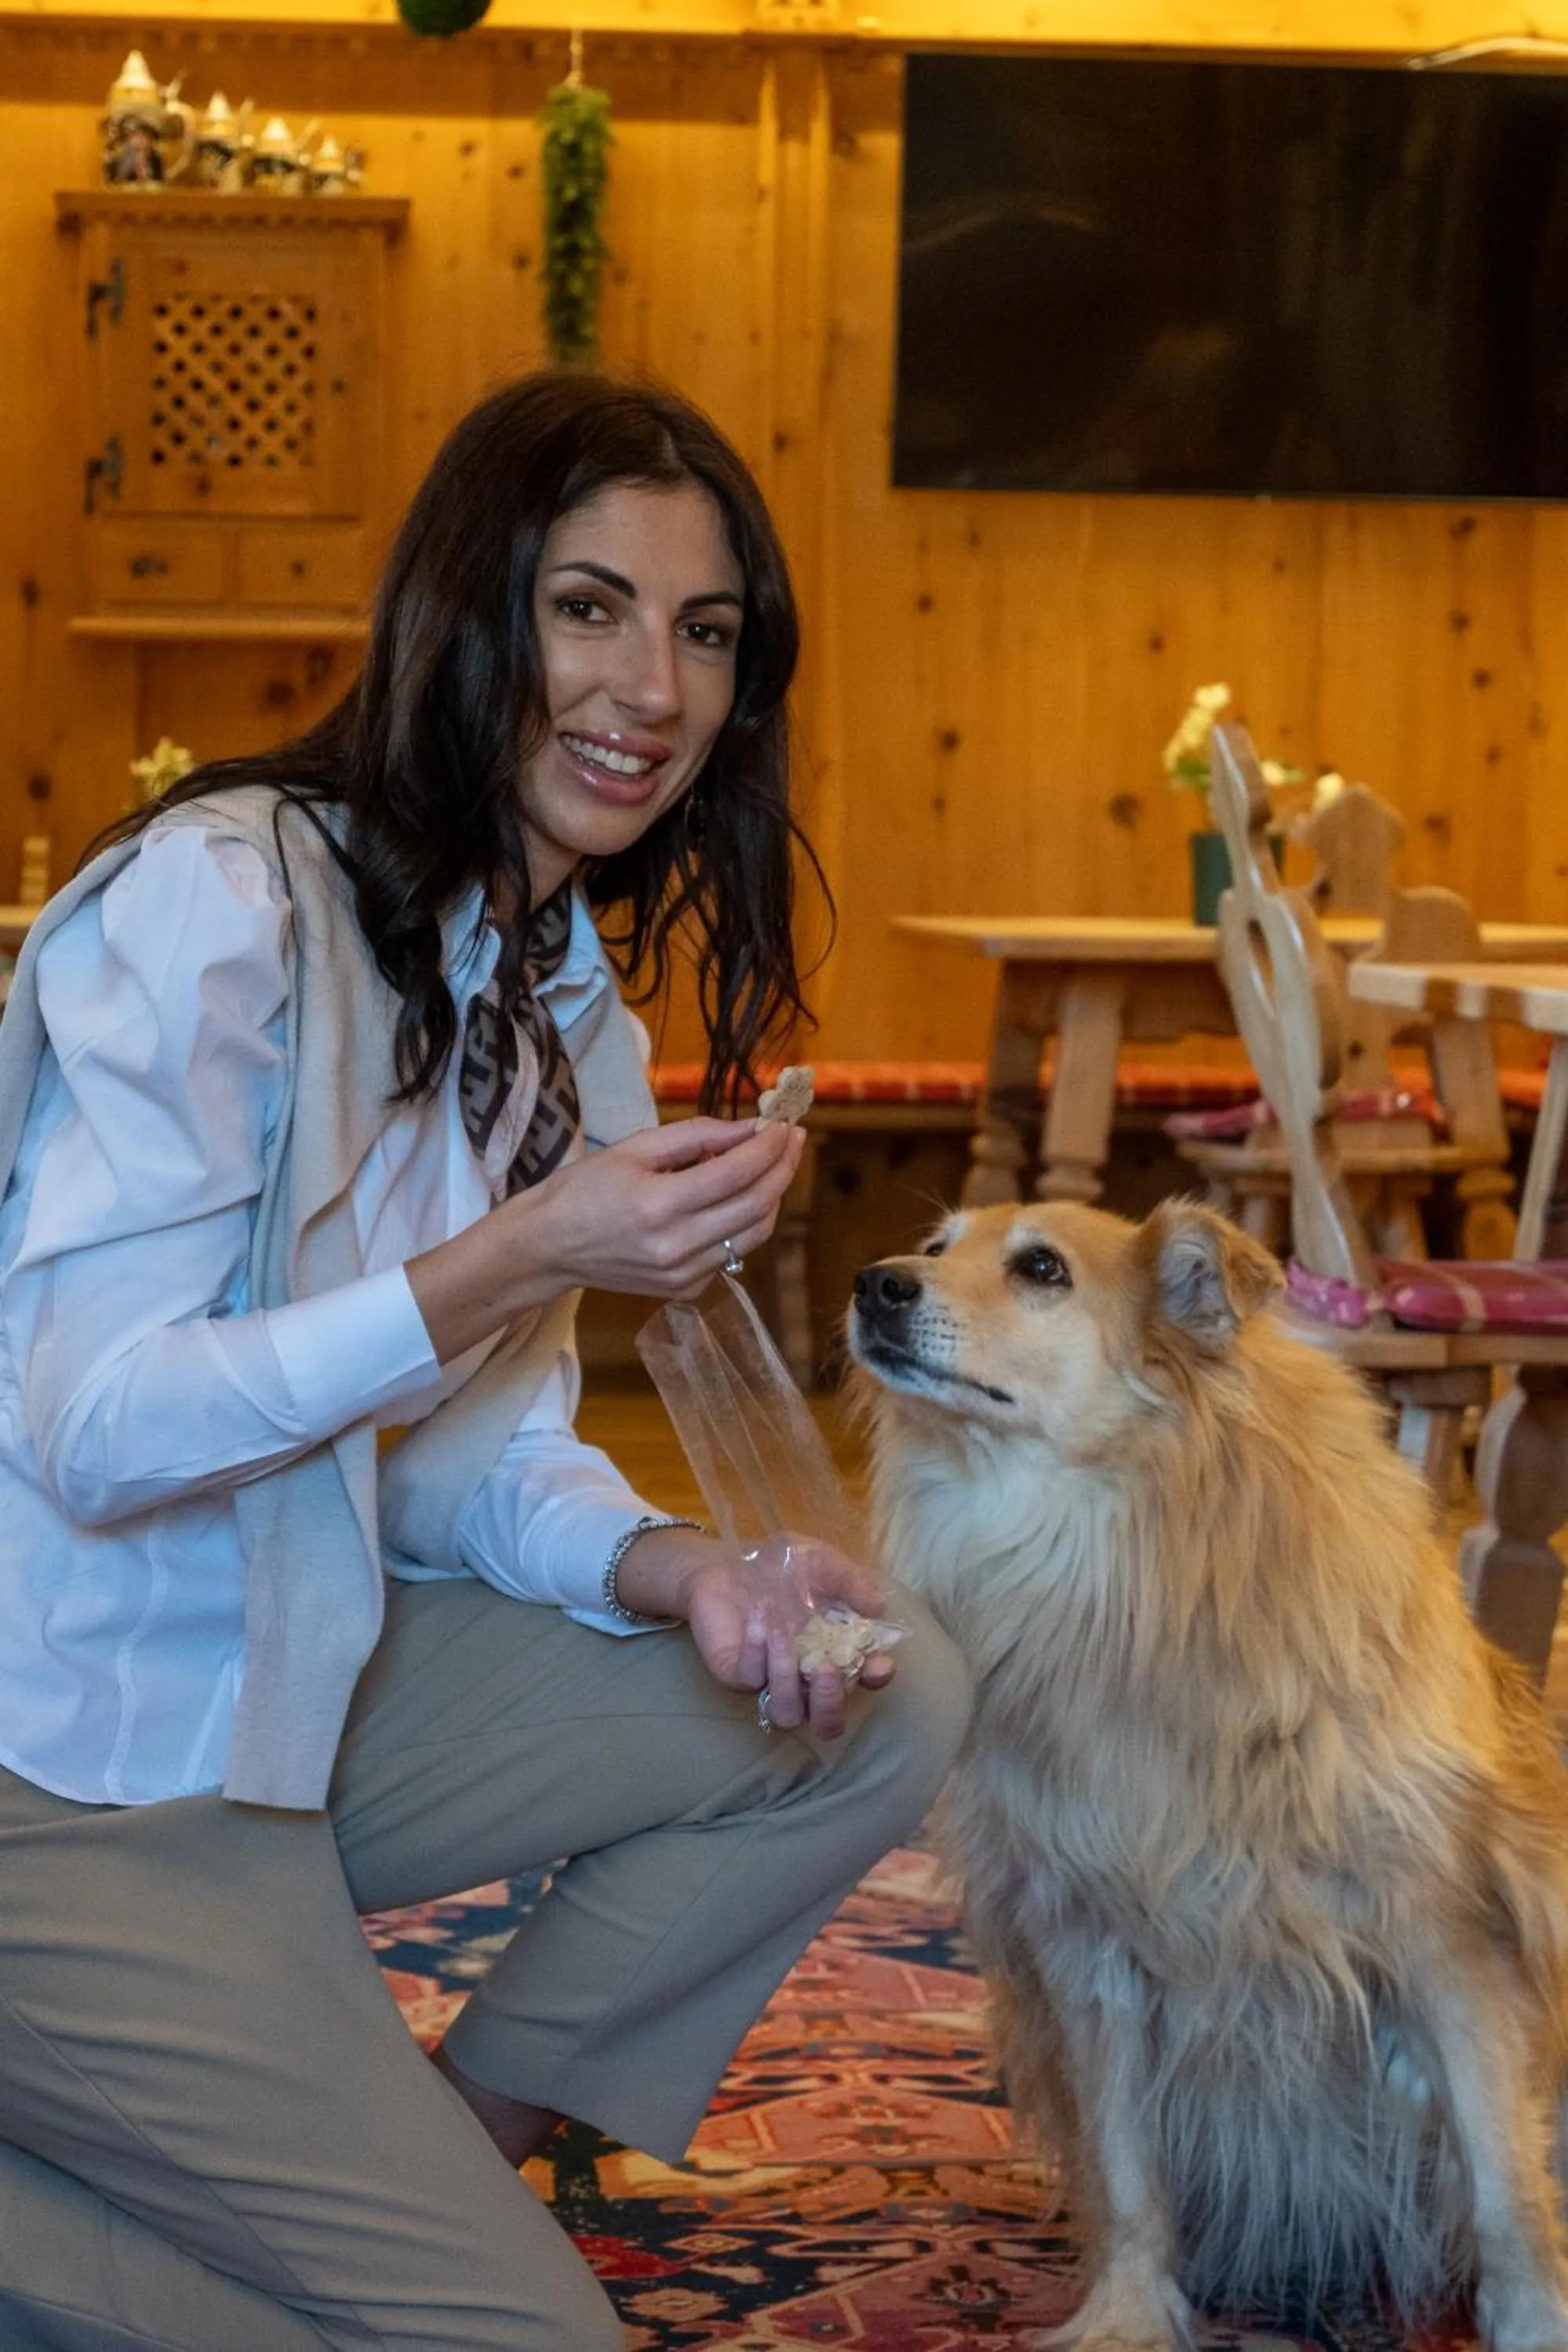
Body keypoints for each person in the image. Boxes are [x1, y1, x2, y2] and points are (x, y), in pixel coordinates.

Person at [0, 372, 971, 2352]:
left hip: (292, 1690)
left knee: (882, 1696)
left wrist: (689, 1572)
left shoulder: (549, 994)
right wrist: (518, 1249)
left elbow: (467, 1464)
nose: (653, 687)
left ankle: (459, 2143)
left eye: (705, 634)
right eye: (589, 605)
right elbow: (97, 1430)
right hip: (67, 1770)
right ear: (473, 612)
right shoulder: (222, 903)